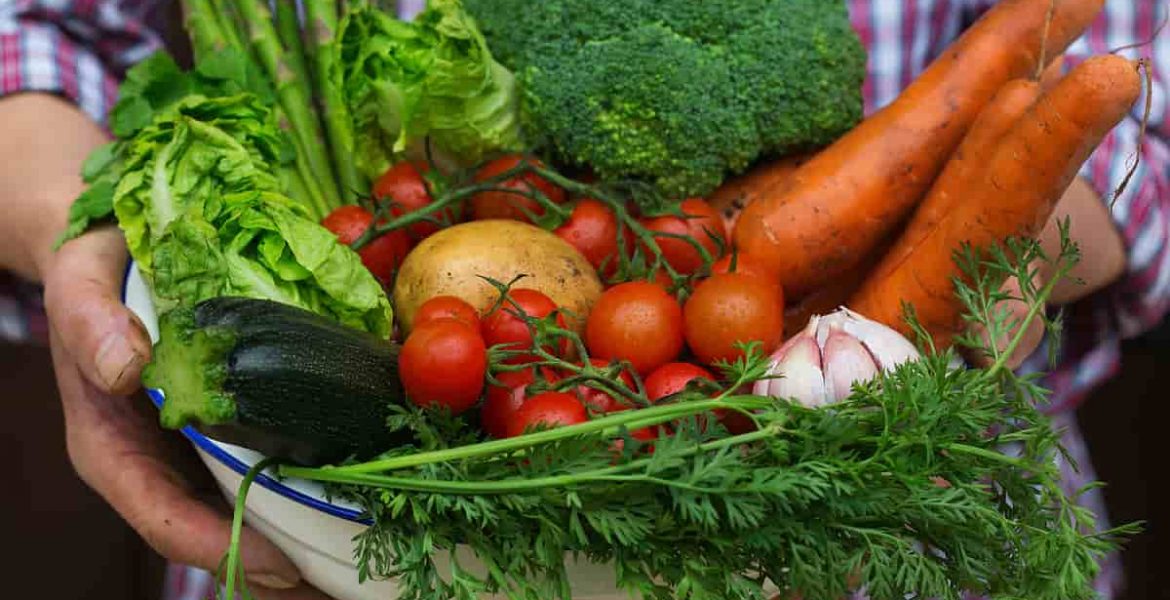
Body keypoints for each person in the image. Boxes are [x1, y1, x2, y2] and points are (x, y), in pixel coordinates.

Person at [0, 1, 1165, 599]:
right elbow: (45, 34)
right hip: (330, 527)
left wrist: (992, 232)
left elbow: (1148, 77)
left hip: (895, 497)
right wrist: (76, 236)